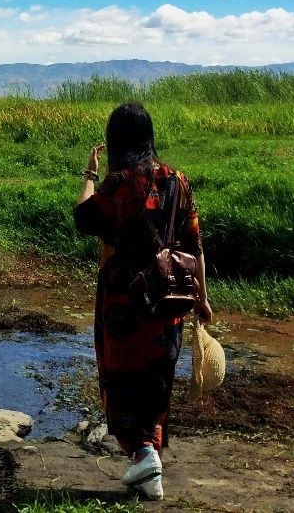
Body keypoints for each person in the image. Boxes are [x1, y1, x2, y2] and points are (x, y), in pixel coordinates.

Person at [73, 102, 212, 502]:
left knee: (121, 380)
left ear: (116, 139)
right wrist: (202, 299)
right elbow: (195, 245)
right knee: (156, 378)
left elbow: (84, 218)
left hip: (123, 305)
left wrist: (89, 173)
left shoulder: (118, 184)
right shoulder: (178, 181)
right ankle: (149, 463)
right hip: (168, 300)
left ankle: (143, 454)